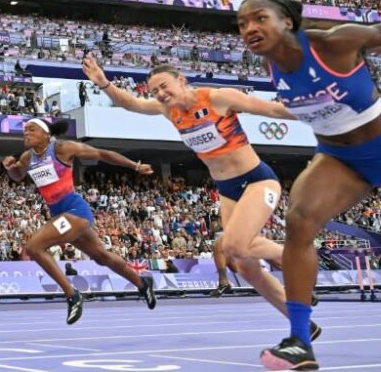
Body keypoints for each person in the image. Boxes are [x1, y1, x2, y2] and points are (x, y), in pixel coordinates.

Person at [236, 0, 381, 369]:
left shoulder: (332, 43)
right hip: (337, 158)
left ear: (287, 21)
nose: (250, 29)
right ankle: (300, 342)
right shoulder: (270, 64)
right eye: (242, 24)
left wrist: (379, 42)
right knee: (299, 221)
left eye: (259, 18)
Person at [83, 55, 322, 339]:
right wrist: (105, 84)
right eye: (154, 91)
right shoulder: (167, 110)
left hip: (257, 180)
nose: (160, 94)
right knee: (243, 263)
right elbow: (131, 103)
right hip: (227, 188)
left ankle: (299, 261)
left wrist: (321, 112)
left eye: (164, 87)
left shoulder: (218, 98)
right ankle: (300, 321)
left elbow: (272, 109)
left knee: (233, 245)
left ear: (181, 80)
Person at [3, 118, 156, 325]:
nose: (26, 133)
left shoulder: (63, 148)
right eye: (25, 130)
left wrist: (135, 166)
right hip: (59, 214)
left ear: (46, 134)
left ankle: (72, 295)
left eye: (32, 129)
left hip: (75, 210)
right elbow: (18, 176)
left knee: (33, 247)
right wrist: (11, 168)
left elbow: (102, 154)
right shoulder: (27, 157)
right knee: (102, 256)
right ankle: (142, 283)